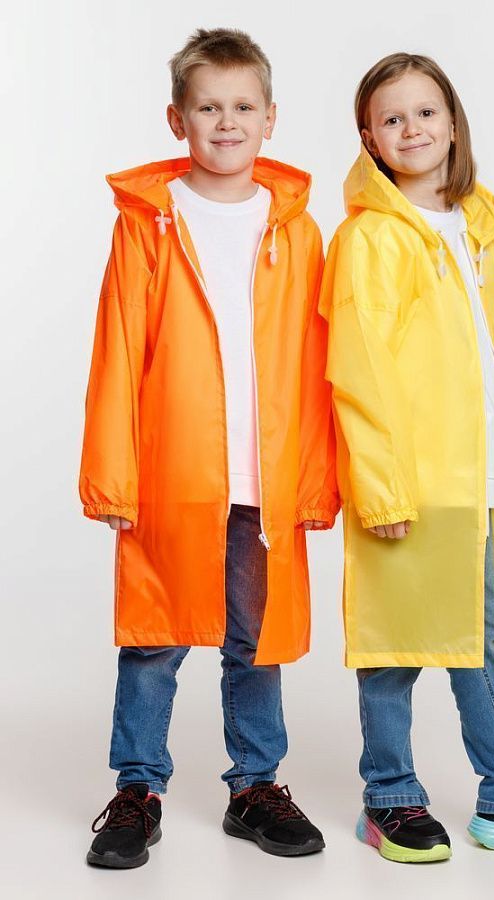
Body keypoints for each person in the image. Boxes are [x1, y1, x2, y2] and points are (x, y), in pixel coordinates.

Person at [319, 52, 494, 862]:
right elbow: (357, 368)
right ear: (369, 138)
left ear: (452, 122)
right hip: (409, 478)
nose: (411, 128)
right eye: (391, 118)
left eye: (425, 112)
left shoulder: (479, 226)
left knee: (476, 631)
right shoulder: (370, 239)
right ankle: (392, 796)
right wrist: (380, 487)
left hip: (477, 471)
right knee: (393, 647)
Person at [79, 27, 339, 868]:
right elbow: (118, 349)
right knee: (153, 637)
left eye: (242, 107)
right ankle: (137, 788)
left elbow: (316, 361)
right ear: (177, 119)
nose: (226, 123)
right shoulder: (147, 225)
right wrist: (112, 478)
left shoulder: (297, 229)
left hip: (265, 478)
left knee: (253, 642)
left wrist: (317, 480)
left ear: (270, 118)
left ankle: (255, 785)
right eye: (208, 108)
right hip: (172, 470)